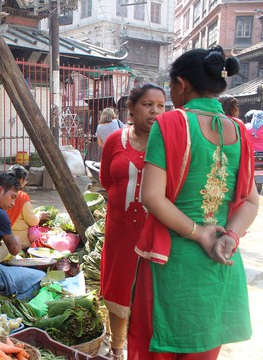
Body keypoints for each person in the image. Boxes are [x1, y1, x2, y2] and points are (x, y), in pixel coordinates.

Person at [130, 45, 258, 359]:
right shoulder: (240, 131)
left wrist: (199, 233)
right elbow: (251, 202)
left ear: (181, 85)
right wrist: (229, 236)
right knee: (203, 348)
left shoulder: (171, 124)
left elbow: (151, 197)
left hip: (172, 261)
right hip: (220, 263)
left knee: (157, 346)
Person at [99, 83, 166, 359]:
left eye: (161, 106)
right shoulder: (115, 140)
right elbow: (106, 179)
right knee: (119, 286)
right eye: (148, 105)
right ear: (132, 108)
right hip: (120, 229)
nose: (155, 111)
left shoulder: (168, 143)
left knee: (149, 294)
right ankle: (117, 349)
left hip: (155, 230)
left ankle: (142, 350)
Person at [6, 164, 49, 249]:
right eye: (25, 180)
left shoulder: (2, 192)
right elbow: (33, 221)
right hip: (18, 242)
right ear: (21, 179)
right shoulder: (22, 197)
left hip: (2, 240)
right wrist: (40, 216)